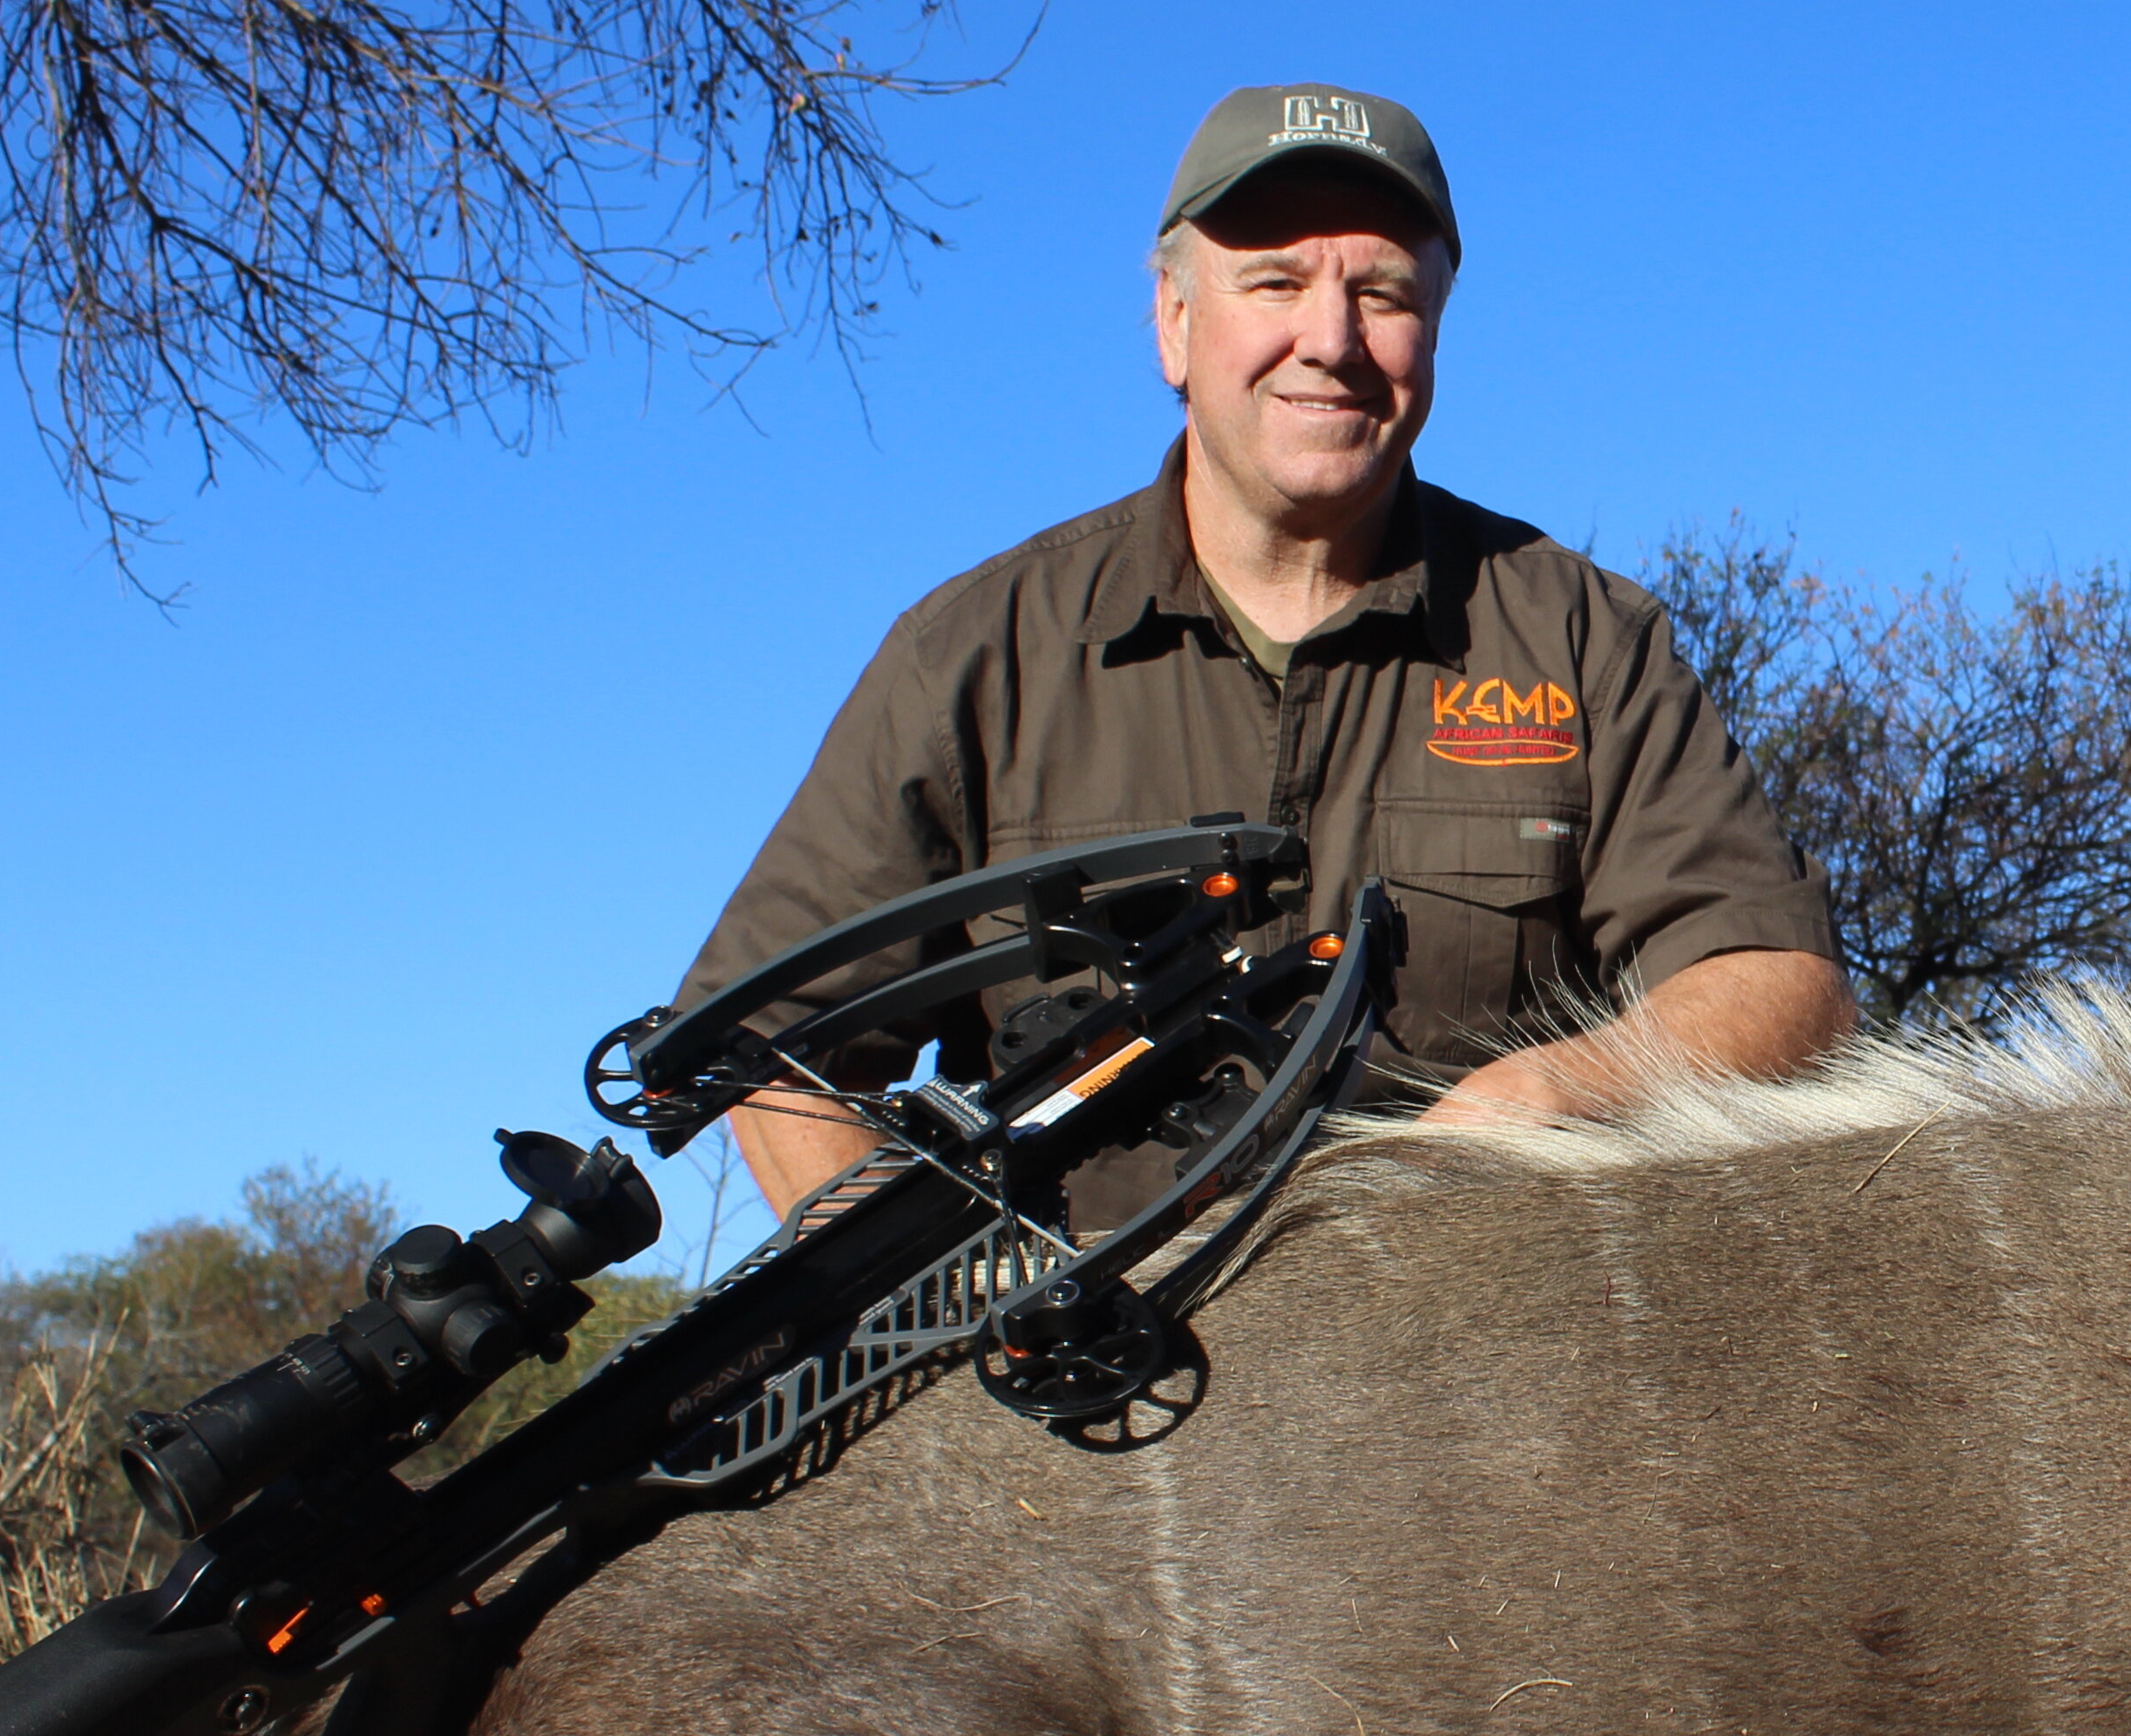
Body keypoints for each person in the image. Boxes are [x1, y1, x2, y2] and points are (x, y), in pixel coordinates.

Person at [677, 82, 1854, 1224]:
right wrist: (935, 1309)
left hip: (1475, 1380)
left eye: (1384, 293)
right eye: (1274, 282)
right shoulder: (977, 654)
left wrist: (1556, 1092)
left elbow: (1778, 980)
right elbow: (771, 1037)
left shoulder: (1586, 639)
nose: (1330, 340)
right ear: (1175, 324)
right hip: (1076, 1385)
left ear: (1436, 328)